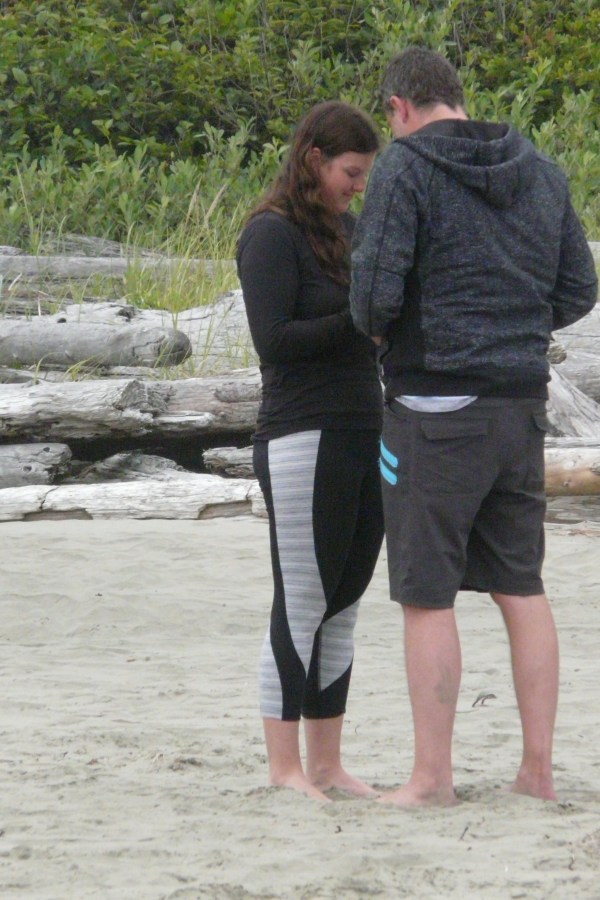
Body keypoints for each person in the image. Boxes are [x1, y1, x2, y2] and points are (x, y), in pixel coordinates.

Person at [350, 46, 598, 807]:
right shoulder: (540, 168)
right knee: (521, 586)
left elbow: (373, 296)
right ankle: (537, 773)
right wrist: (516, 325)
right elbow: (578, 287)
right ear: (457, 94)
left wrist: (398, 334)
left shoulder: (405, 168)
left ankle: (432, 778)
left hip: (434, 409)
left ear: (399, 108)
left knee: (427, 594)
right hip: (520, 405)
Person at [236, 101, 384, 802]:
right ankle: (284, 767)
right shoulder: (270, 234)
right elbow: (275, 341)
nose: (358, 185)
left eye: (365, 174)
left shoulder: (349, 231)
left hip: (365, 431)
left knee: (344, 602)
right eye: (351, 172)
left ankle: (326, 765)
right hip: (300, 434)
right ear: (314, 159)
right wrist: (358, 319)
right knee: (302, 600)